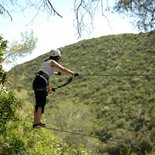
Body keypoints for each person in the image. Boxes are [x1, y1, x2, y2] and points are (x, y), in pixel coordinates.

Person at [32, 49, 79, 128]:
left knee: (38, 102)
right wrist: (73, 73)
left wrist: (56, 74)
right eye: (59, 58)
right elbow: (63, 68)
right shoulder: (52, 62)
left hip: (38, 81)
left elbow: (46, 72)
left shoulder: (45, 62)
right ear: (56, 57)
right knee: (41, 103)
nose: (59, 60)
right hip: (41, 81)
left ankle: (36, 122)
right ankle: (37, 123)